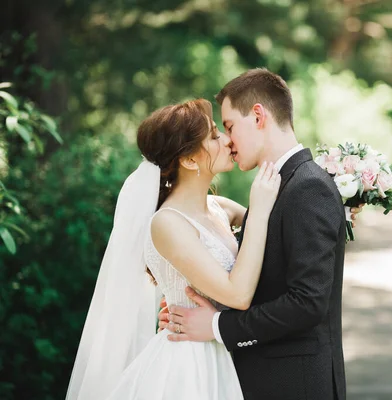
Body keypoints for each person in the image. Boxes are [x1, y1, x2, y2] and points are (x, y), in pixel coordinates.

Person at [66, 98, 281, 399]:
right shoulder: (166, 224)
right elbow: (237, 294)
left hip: (224, 351)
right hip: (189, 364)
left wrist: (344, 205)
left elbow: (284, 231)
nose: (228, 140)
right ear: (189, 160)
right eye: (214, 136)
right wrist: (259, 207)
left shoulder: (218, 208)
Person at [158, 68, 349, 400]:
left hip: (296, 385)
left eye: (229, 126)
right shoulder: (283, 187)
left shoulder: (307, 188)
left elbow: (308, 303)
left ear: (258, 116)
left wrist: (217, 326)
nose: (228, 140)